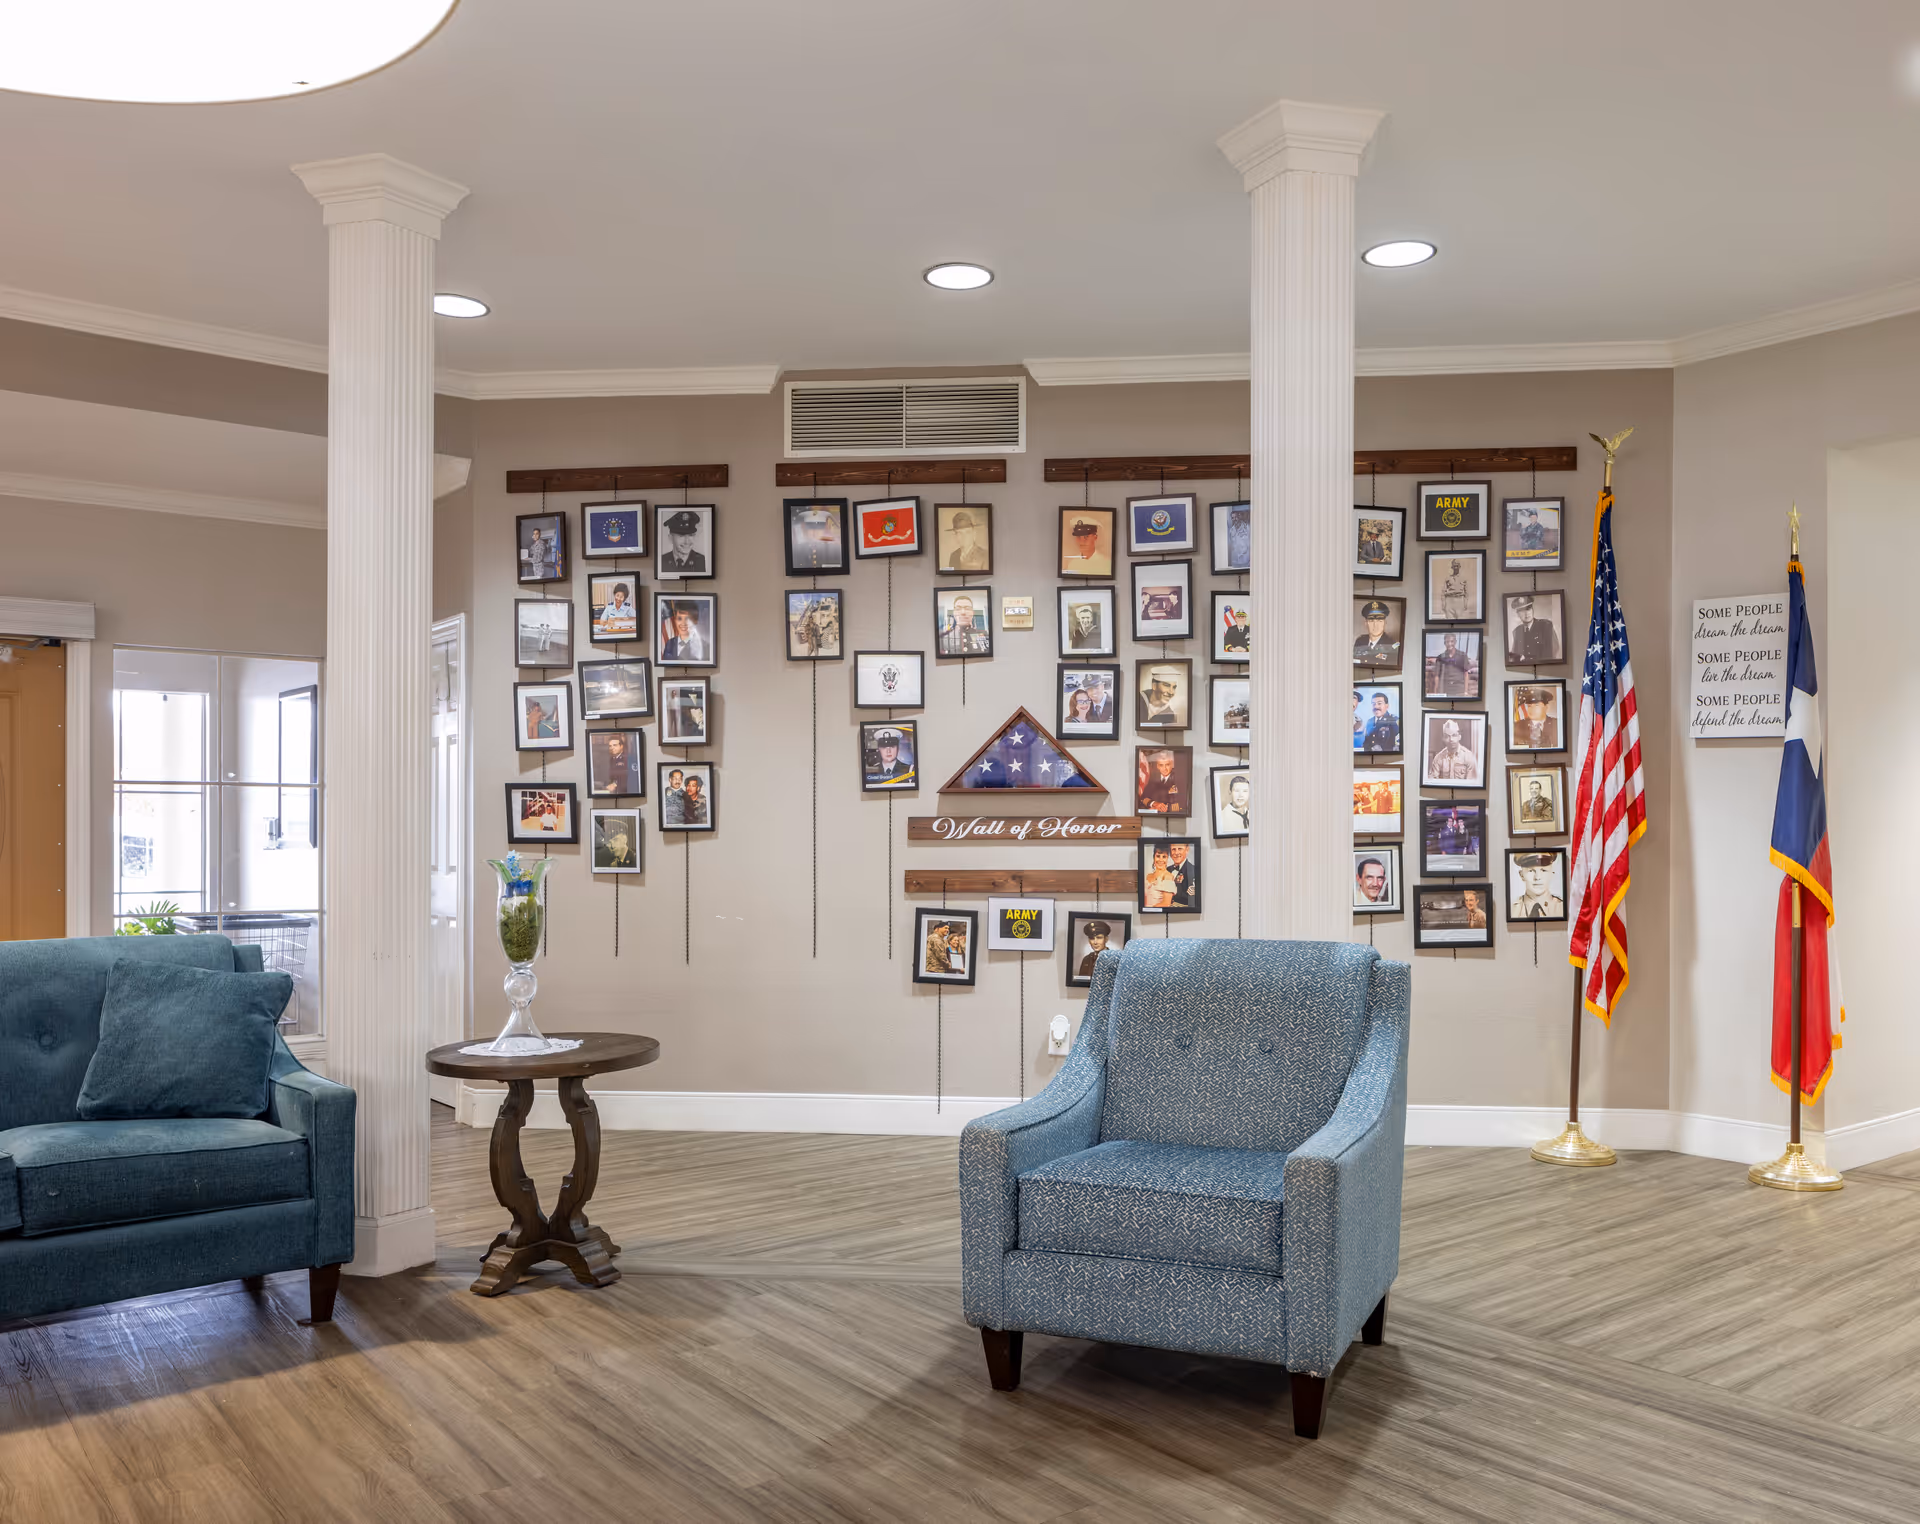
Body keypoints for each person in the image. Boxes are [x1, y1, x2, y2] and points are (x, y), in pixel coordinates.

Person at [1510, 852, 1564, 919]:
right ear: (1521, 875)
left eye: (1544, 870)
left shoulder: (1563, 909)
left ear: (1552, 874)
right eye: (1531, 871)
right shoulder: (1512, 911)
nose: (1537, 877)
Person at [1508, 595, 1559, 663]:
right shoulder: (1517, 631)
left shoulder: (1546, 626)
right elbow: (1515, 656)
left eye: (1528, 609)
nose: (1526, 613)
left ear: (1532, 610)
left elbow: (1553, 652)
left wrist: (1526, 659)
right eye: (1522, 611)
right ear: (1518, 614)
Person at [1353, 598, 1400, 669]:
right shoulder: (1360, 642)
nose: (1375, 625)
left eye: (1379, 620)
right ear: (1366, 623)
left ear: (1385, 623)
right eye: (1371, 621)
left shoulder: (1392, 645)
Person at [659, 509, 707, 575]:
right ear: (670, 538)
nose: (687, 542)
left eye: (691, 535)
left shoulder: (702, 561)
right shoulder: (661, 561)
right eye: (681, 535)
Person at [1138, 749, 1185, 814]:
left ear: (1172, 765)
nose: (1164, 769)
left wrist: (1161, 808)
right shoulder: (1153, 779)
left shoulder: (1179, 780)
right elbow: (1143, 798)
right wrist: (1154, 803)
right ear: (1157, 766)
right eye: (1161, 765)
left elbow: (1182, 803)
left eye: (1167, 764)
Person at [1431, 631, 1475, 698]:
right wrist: (1435, 692)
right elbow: (1437, 676)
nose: (1449, 644)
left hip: (1459, 690)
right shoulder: (1440, 658)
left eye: (1452, 641)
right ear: (1444, 643)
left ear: (1455, 642)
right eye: (1447, 642)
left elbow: (1466, 674)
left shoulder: (1462, 656)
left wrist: (1466, 691)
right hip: (1445, 690)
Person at [1142, 845, 1176, 909]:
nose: (1161, 860)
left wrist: (1149, 911)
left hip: (1156, 915)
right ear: (1153, 857)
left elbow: (1166, 903)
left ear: (1167, 859)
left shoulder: (1168, 876)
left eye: (1164, 857)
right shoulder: (1148, 876)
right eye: (1158, 856)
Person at [1167, 842, 1198, 908]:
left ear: (1187, 849)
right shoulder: (1167, 870)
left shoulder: (1194, 870)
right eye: (1173, 849)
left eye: (1180, 849)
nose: (1176, 853)